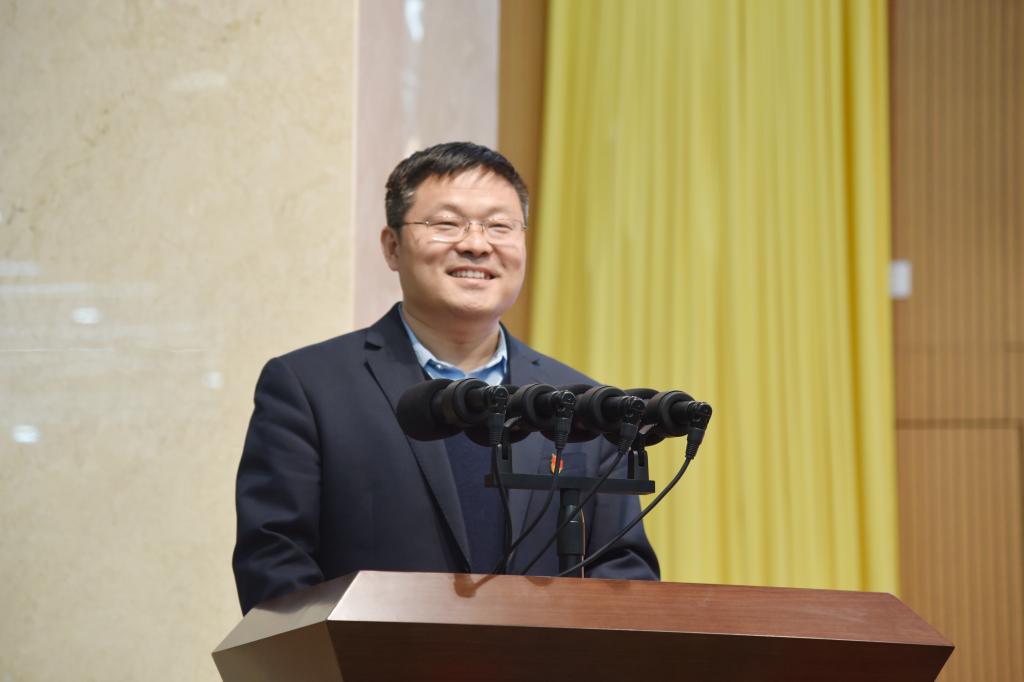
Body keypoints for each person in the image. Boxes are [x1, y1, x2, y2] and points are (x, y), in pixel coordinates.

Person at [232, 142, 658, 614]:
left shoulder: (581, 404)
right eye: (447, 224)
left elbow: (623, 569)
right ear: (392, 247)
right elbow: (274, 566)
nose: (476, 244)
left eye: (499, 226)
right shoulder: (308, 388)